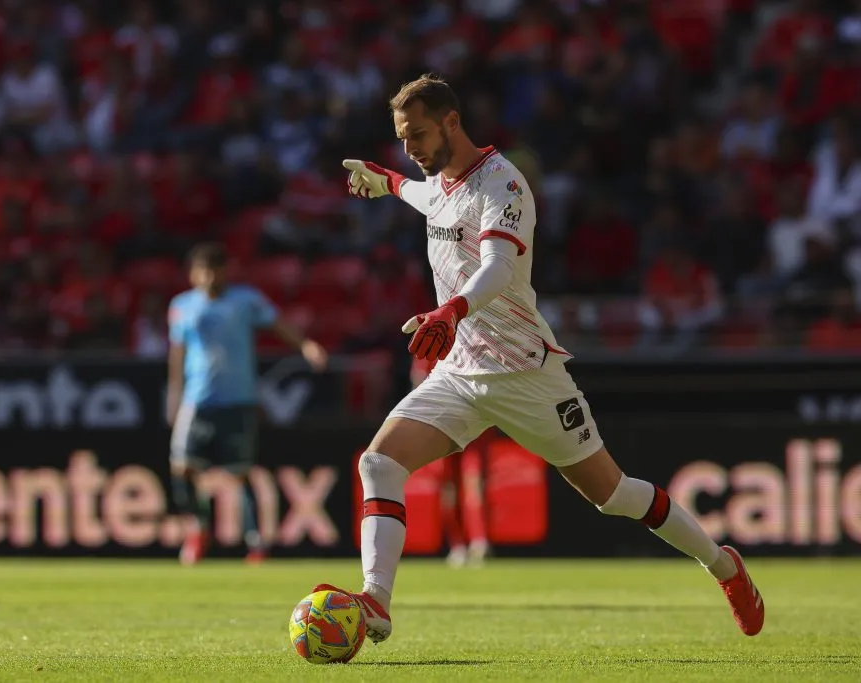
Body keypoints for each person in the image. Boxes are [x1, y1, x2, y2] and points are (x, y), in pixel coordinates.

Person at [312, 75, 764, 644]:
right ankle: (376, 603)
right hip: (459, 371)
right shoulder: (441, 183)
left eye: (419, 135)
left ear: (452, 121)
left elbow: (499, 268)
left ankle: (724, 566)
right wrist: (389, 181)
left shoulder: (503, 183)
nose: (412, 149)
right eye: (403, 139)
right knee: (378, 463)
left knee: (614, 494)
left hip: (526, 371)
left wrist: (451, 309)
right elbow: (424, 197)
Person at [167, 243, 328, 565]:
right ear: (194, 274)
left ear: (226, 270)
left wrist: (306, 345)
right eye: (204, 270)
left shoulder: (245, 300)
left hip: (238, 399)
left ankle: (255, 542)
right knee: (182, 467)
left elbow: (278, 323)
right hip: (197, 400)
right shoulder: (182, 306)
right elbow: (178, 352)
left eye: (216, 269)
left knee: (239, 473)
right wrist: (174, 393)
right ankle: (198, 528)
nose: (211, 276)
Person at [411, 356, 489, 568]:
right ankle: (458, 545)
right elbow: (419, 381)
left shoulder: (473, 338)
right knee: (448, 488)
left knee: (474, 483)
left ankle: (479, 542)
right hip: (442, 425)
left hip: (474, 424)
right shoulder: (432, 339)